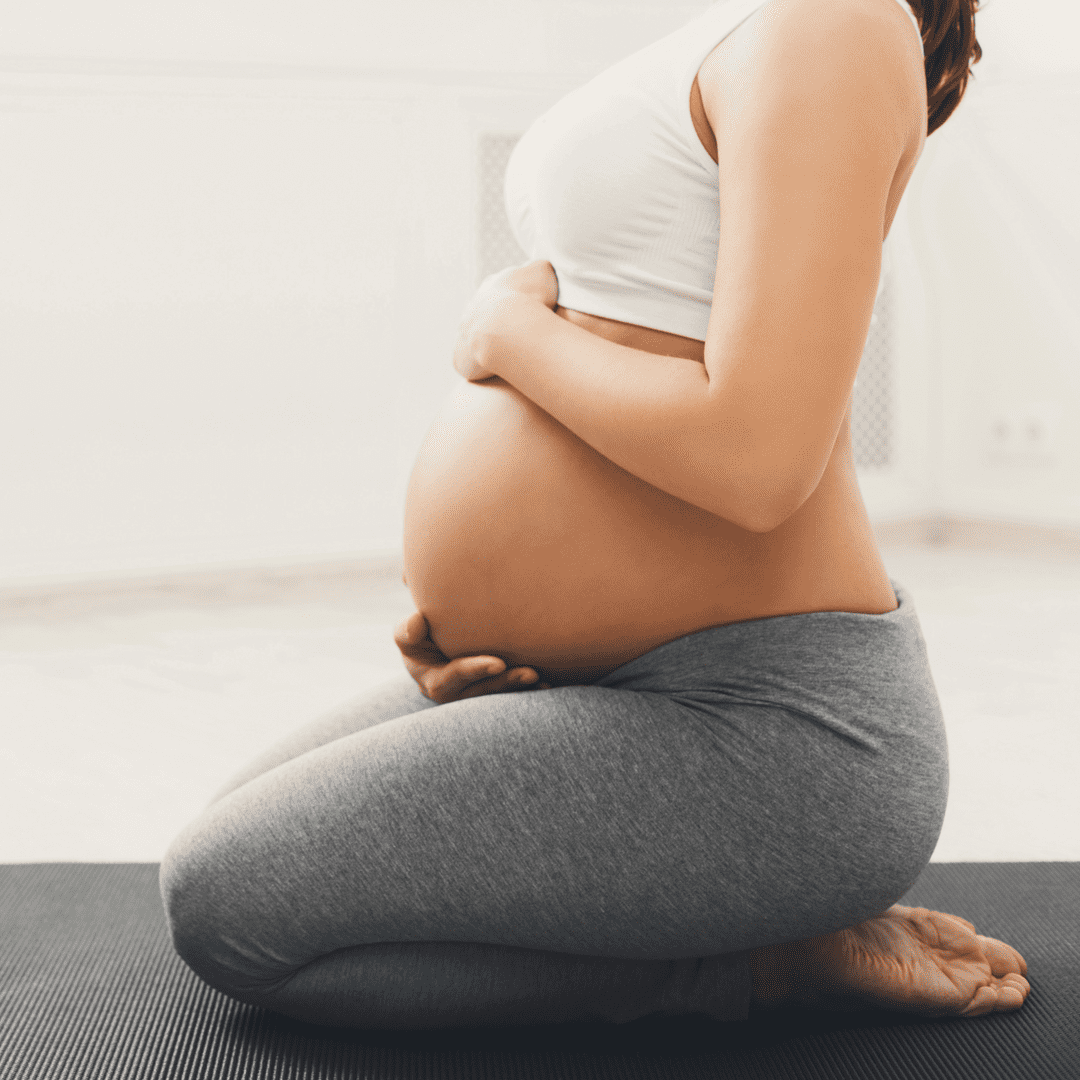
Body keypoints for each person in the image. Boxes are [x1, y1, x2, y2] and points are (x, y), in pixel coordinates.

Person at [159, 0, 1030, 1030]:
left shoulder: (835, 19)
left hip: (775, 728)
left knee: (228, 908)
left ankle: (760, 959)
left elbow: (760, 455)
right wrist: (506, 613)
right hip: (619, 682)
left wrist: (505, 331)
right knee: (220, 844)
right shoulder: (760, 22)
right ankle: (726, 919)